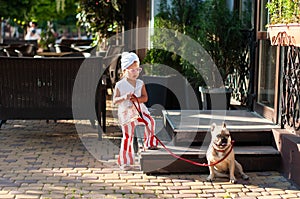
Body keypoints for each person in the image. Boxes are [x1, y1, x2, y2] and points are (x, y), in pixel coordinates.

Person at [113, 52, 158, 170]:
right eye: (132, 70)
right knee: (128, 136)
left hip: (139, 110)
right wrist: (124, 97)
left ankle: (149, 144)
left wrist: (137, 99)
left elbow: (145, 98)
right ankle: (125, 161)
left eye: (138, 69)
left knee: (150, 121)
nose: (136, 72)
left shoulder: (140, 83)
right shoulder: (120, 85)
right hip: (127, 114)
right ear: (124, 70)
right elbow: (114, 101)